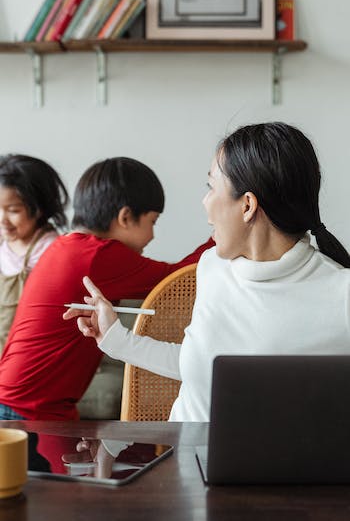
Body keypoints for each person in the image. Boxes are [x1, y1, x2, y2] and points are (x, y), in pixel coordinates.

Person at [64, 122, 350, 422]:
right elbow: (199, 365)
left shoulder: (340, 295)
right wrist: (115, 338)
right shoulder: (212, 267)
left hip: (283, 468)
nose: (205, 203)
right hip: (184, 462)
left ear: (247, 205)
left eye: (211, 187)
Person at [0, 156, 214, 421]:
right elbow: (178, 281)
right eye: (153, 222)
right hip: (25, 409)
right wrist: (223, 232)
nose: (153, 236)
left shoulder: (68, 247)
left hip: (23, 400)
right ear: (125, 217)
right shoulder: (97, 256)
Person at [0, 154, 68, 352]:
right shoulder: (3, 242)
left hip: (23, 351)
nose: (2, 219)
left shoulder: (50, 249)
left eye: (13, 210)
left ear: (39, 209)